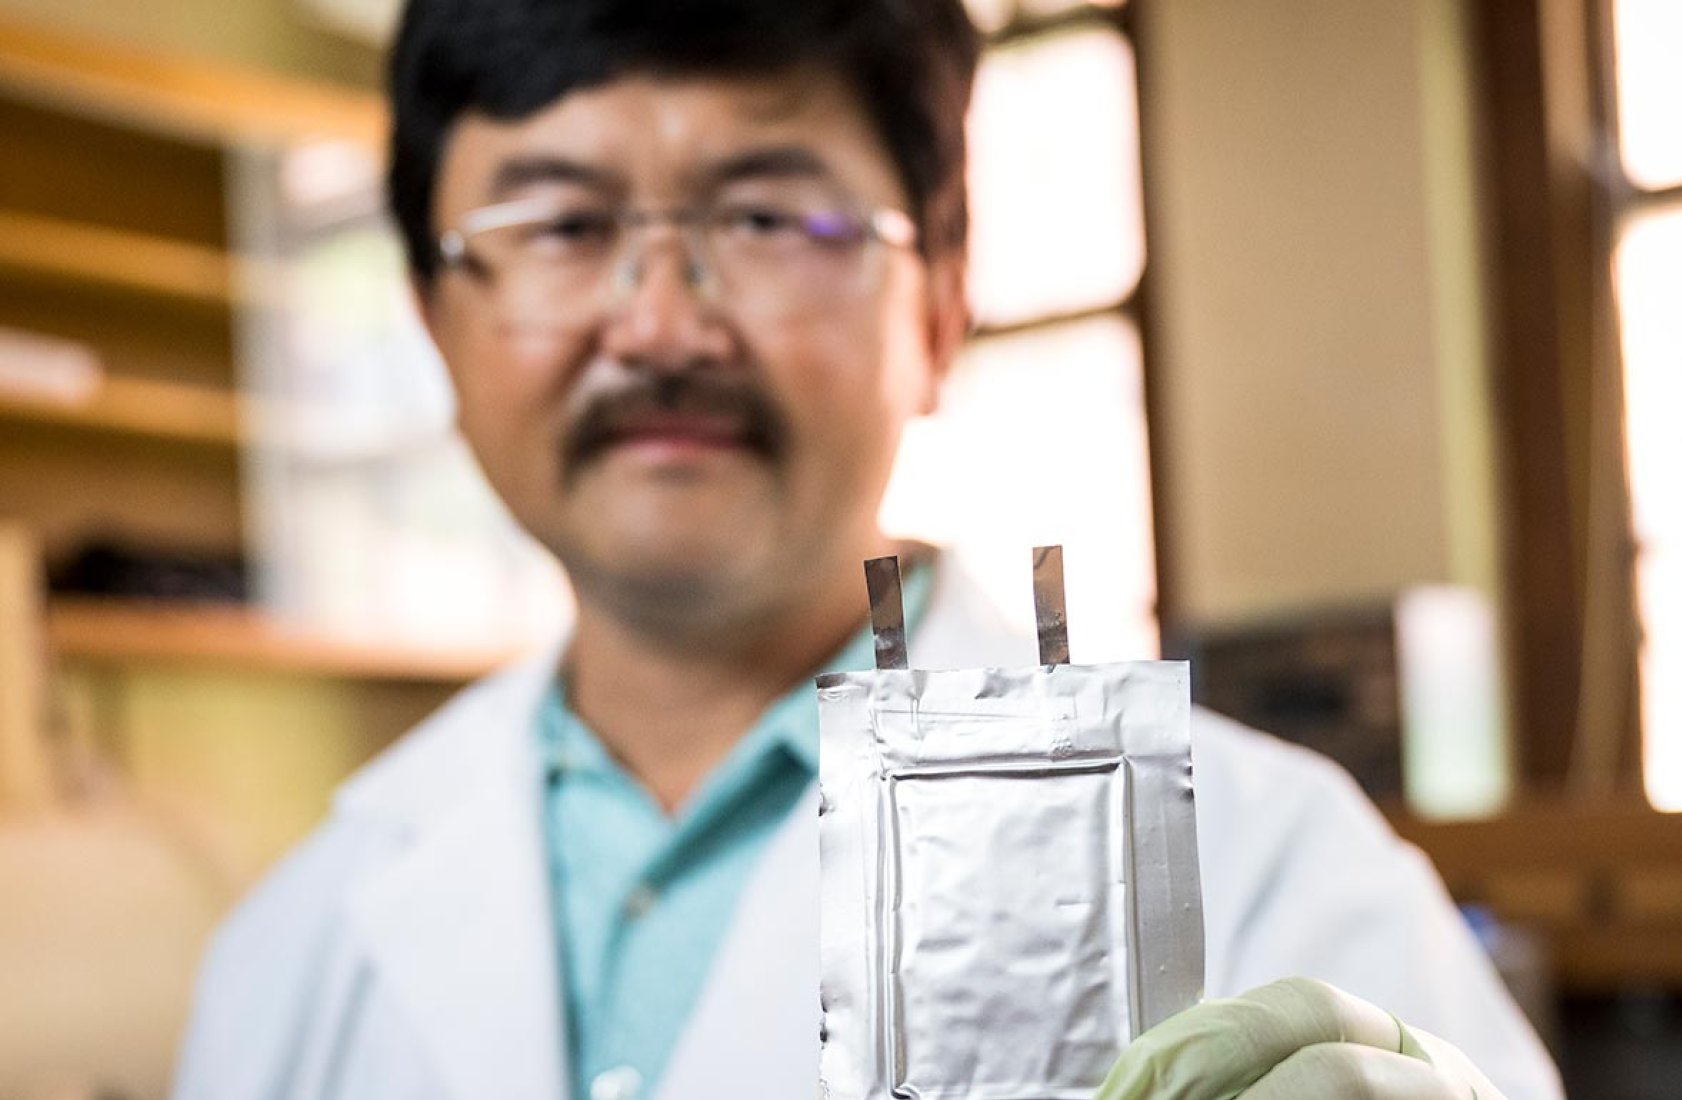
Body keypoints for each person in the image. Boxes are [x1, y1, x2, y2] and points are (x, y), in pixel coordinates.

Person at [171, 2, 1565, 1098]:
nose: (661, 322)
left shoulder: (1276, 873)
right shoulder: (294, 941)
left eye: (769, 217)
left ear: (944, 302)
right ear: (433, 316)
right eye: (561, 226)